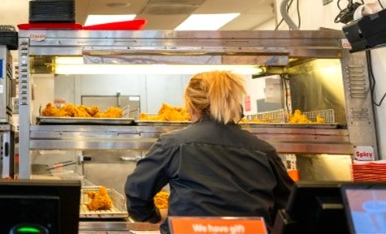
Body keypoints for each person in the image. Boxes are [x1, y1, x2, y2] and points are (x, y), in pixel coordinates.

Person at [125, 71, 294, 233]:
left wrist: (154, 216)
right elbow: (289, 209)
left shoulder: (172, 144)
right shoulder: (264, 151)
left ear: (191, 105)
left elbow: (136, 195)